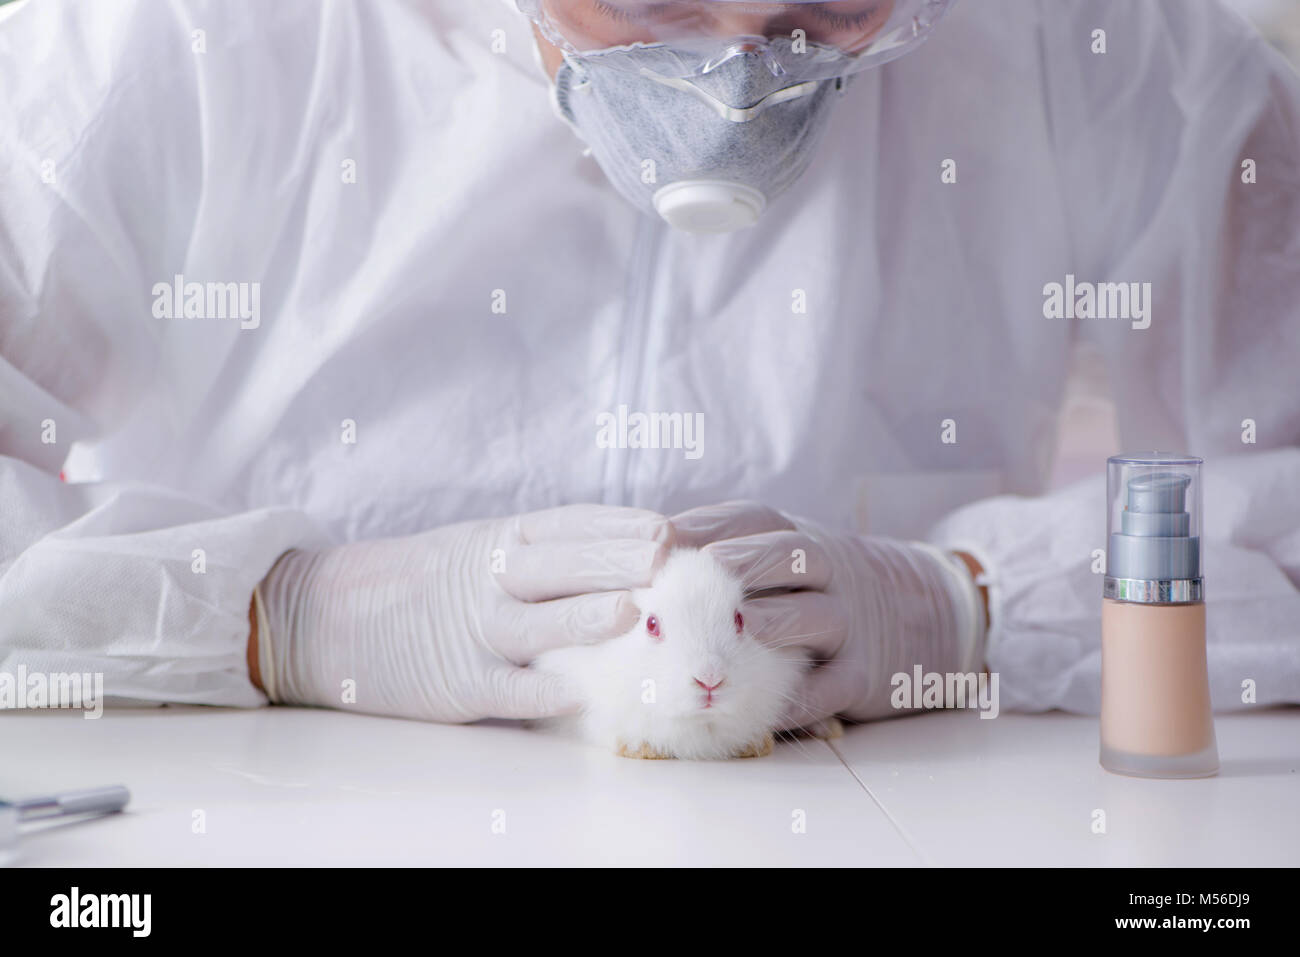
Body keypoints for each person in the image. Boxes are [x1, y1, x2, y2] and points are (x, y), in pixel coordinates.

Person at [1, 0, 1296, 730]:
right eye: (652, 4)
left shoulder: (1117, 56)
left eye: (823, 16)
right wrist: (268, 613)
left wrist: (974, 605)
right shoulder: (157, 44)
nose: (735, 78)